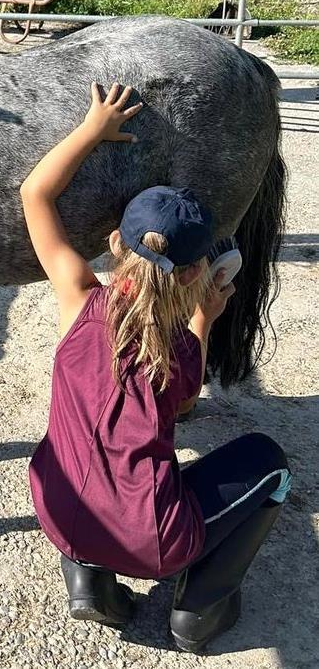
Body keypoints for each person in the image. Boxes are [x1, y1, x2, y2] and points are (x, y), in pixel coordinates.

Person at [19, 81, 291, 653]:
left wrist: (93, 128)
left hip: (55, 510)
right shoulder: (180, 353)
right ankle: (197, 611)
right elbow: (185, 403)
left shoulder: (77, 299)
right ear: (196, 275)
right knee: (271, 464)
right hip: (153, 544)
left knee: (85, 453)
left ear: (116, 242)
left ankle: (87, 573)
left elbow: (35, 195)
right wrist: (205, 318)